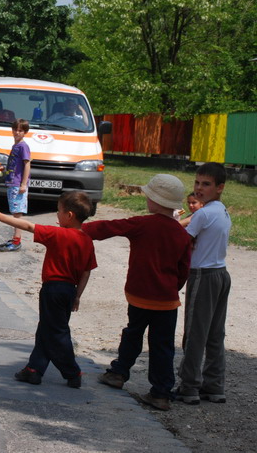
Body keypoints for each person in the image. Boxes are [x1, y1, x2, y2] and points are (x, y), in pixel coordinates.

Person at [83, 174, 192, 411]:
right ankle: (160, 394)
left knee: (133, 334)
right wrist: (171, 289)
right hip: (167, 301)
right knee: (162, 346)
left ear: (155, 201)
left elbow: (111, 227)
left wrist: (81, 229)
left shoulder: (142, 224)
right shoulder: (182, 234)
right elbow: (184, 270)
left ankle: (118, 373)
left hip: (139, 296)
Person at [0, 191, 96, 388]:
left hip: (53, 289)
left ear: (69, 215)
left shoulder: (58, 234)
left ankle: (72, 372)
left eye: (59, 211)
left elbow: (28, 226)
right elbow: (86, 272)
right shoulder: (87, 240)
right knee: (46, 329)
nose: (56, 214)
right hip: (69, 290)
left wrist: (1, 217)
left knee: (57, 332)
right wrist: (77, 296)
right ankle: (34, 370)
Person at [174, 162, 231, 405]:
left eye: (206, 184)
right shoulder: (221, 210)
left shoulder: (203, 213)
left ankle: (189, 387)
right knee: (215, 334)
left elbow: (180, 240)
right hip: (221, 274)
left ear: (220, 187)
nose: (199, 188)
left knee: (195, 333)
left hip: (203, 275)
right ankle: (214, 386)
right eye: (197, 183)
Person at [0, 119, 31, 251]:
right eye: (15, 130)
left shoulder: (23, 146)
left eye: (20, 130)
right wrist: (4, 171)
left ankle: (17, 241)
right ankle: (15, 238)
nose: (17, 132)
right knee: (15, 212)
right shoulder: (15, 146)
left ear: (25, 132)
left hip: (18, 185)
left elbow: (27, 165)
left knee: (17, 214)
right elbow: (14, 166)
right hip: (12, 183)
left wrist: (23, 184)